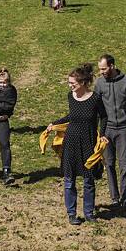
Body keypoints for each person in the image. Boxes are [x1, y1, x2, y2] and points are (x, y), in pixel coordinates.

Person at [47, 63, 108, 225]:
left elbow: (104, 117)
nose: (70, 86)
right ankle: (72, 213)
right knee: (69, 180)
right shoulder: (70, 97)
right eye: (69, 83)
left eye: (72, 83)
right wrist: (54, 123)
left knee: (88, 180)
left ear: (82, 83)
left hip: (88, 142)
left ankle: (89, 212)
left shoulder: (95, 98)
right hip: (71, 142)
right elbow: (71, 116)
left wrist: (102, 135)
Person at [95, 54, 126, 208]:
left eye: (104, 68)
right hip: (106, 130)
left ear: (112, 66)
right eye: (100, 69)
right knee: (109, 164)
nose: (101, 72)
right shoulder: (99, 84)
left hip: (122, 130)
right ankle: (114, 197)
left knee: (125, 164)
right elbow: (96, 108)